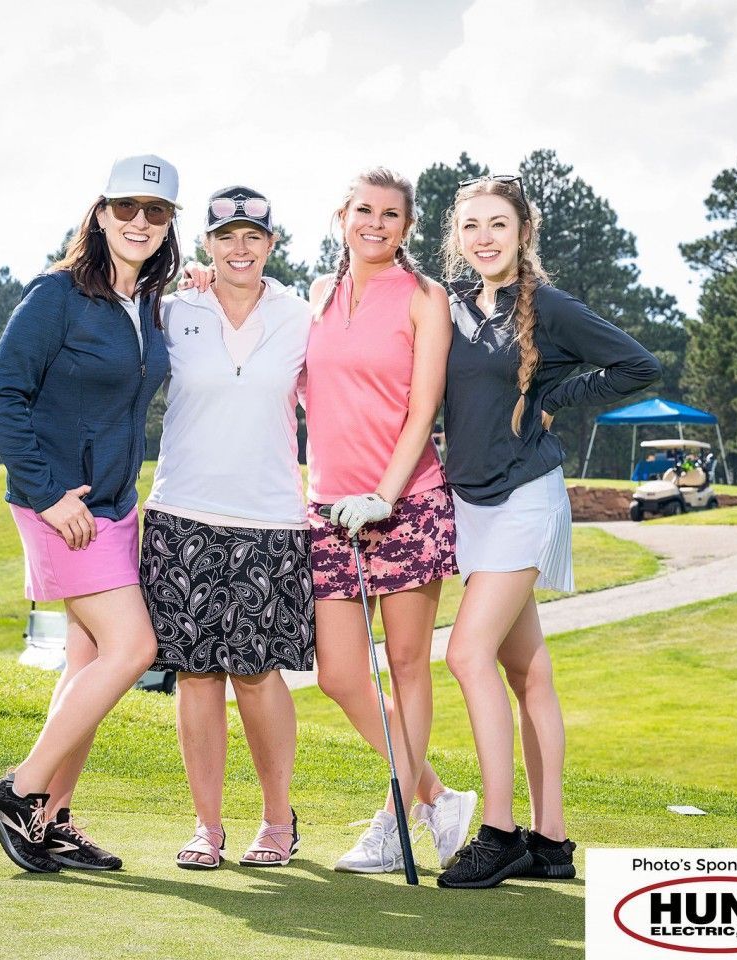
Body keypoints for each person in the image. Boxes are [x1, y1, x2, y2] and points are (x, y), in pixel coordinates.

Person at [180, 167, 477, 875]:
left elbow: (422, 407)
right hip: (327, 511)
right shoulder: (316, 295)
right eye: (363, 211)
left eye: (391, 215)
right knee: (343, 675)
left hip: (406, 506)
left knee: (406, 667)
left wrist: (385, 491)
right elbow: (258, 333)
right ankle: (434, 795)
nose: (375, 224)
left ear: (406, 227)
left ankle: (392, 816)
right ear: (341, 217)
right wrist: (200, 283)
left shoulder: (425, 298)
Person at [436, 174, 661, 888]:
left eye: (496, 223)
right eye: (470, 225)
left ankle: (500, 832)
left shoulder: (549, 307)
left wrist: (555, 398)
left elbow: (637, 364)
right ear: (456, 236)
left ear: (522, 231)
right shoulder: (447, 308)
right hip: (470, 501)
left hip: (526, 498)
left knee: (466, 656)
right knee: (524, 669)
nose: (483, 237)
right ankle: (552, 842)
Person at [0, 154, 181, 873]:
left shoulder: (147, 304)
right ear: (100, 213)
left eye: (154, 212)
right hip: (62, 509)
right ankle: (18, 792)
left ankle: (52, 820)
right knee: (134, 649)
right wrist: (48, 491)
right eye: (125, 207)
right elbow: (3, 397)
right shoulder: (56, 295)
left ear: (167, 226)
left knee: (88, 661)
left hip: (114, 509)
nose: (138, 222)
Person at [140, 186, 314, 869]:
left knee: (256, 674)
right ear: (206, 243)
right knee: (196, 676)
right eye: (226, 235)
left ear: (272, 243)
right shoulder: (171, 308)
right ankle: (205, 827)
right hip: (181, 512)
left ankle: (277, 822)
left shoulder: (301, 315)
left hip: (270, 517)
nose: (239, 248)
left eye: (253, 235)